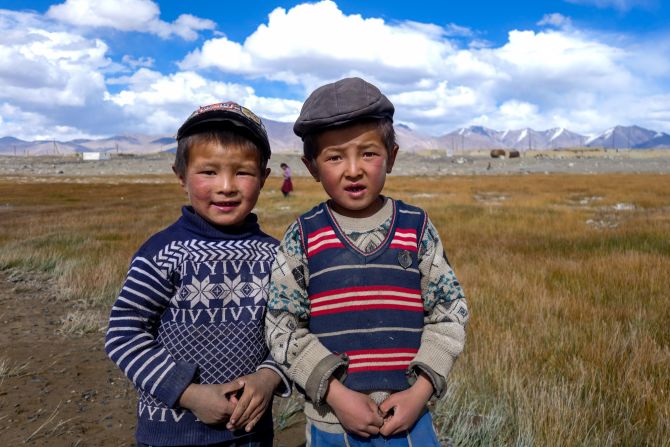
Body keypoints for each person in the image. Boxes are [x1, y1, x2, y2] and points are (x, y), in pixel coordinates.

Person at [265, 77, 469, 446]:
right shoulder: (303, 236)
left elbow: (449, 312)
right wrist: (337, 396)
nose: (354, 169)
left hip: (411, 423)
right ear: (312, 167)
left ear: (391, 155)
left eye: (368, 153)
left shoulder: (417, 228)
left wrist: (419, 392)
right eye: (335, 157)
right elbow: (282, 326)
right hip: (330, 424)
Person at [105, 101, 290, 447]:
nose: (226, 186)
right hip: (171, 434)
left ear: (264, 179)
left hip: (251, 432)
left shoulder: (276, 256)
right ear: (181, 176)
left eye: (243, 172)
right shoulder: (163, 254)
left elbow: (288, 331)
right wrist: (188, 394)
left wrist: (267, 378)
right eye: (209, 172)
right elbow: (123, 335)